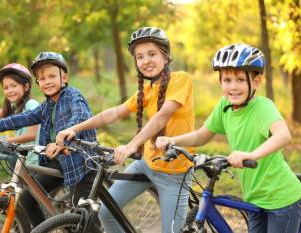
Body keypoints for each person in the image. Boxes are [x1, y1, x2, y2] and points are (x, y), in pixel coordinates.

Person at [56, 27, 195, 233]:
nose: (146, 60)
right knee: (105, 213)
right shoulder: (147, 90)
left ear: (166, 57)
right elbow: (114, 113)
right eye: (140, 57)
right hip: (146, 164)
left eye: (152, 54)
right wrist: (75, 128)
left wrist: (132, 145)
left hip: (174, 172)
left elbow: (162, 116)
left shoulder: (181, 79)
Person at [156, 43, 301, 233]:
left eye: (241, 79)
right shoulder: (224, 106)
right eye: (227, 80)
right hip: (255, 198)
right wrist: (172, 140)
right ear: (220, 82)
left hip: (282, 200)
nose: (233, 87)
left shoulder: (263, 107)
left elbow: (283, 136)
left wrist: (251, 155)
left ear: (256, 82)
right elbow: (202, 135)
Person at [0, 52, 97, 227]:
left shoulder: (73, 96)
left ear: (64, 77)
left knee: (81, 218)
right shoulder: (47, 105)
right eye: (42, 78)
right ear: (37, 82)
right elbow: (21, 118)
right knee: (28, 198)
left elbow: (81, 115)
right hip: (56, 162)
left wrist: (65, 135)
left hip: (80, 162)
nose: (47, 81)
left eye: (52, 76)